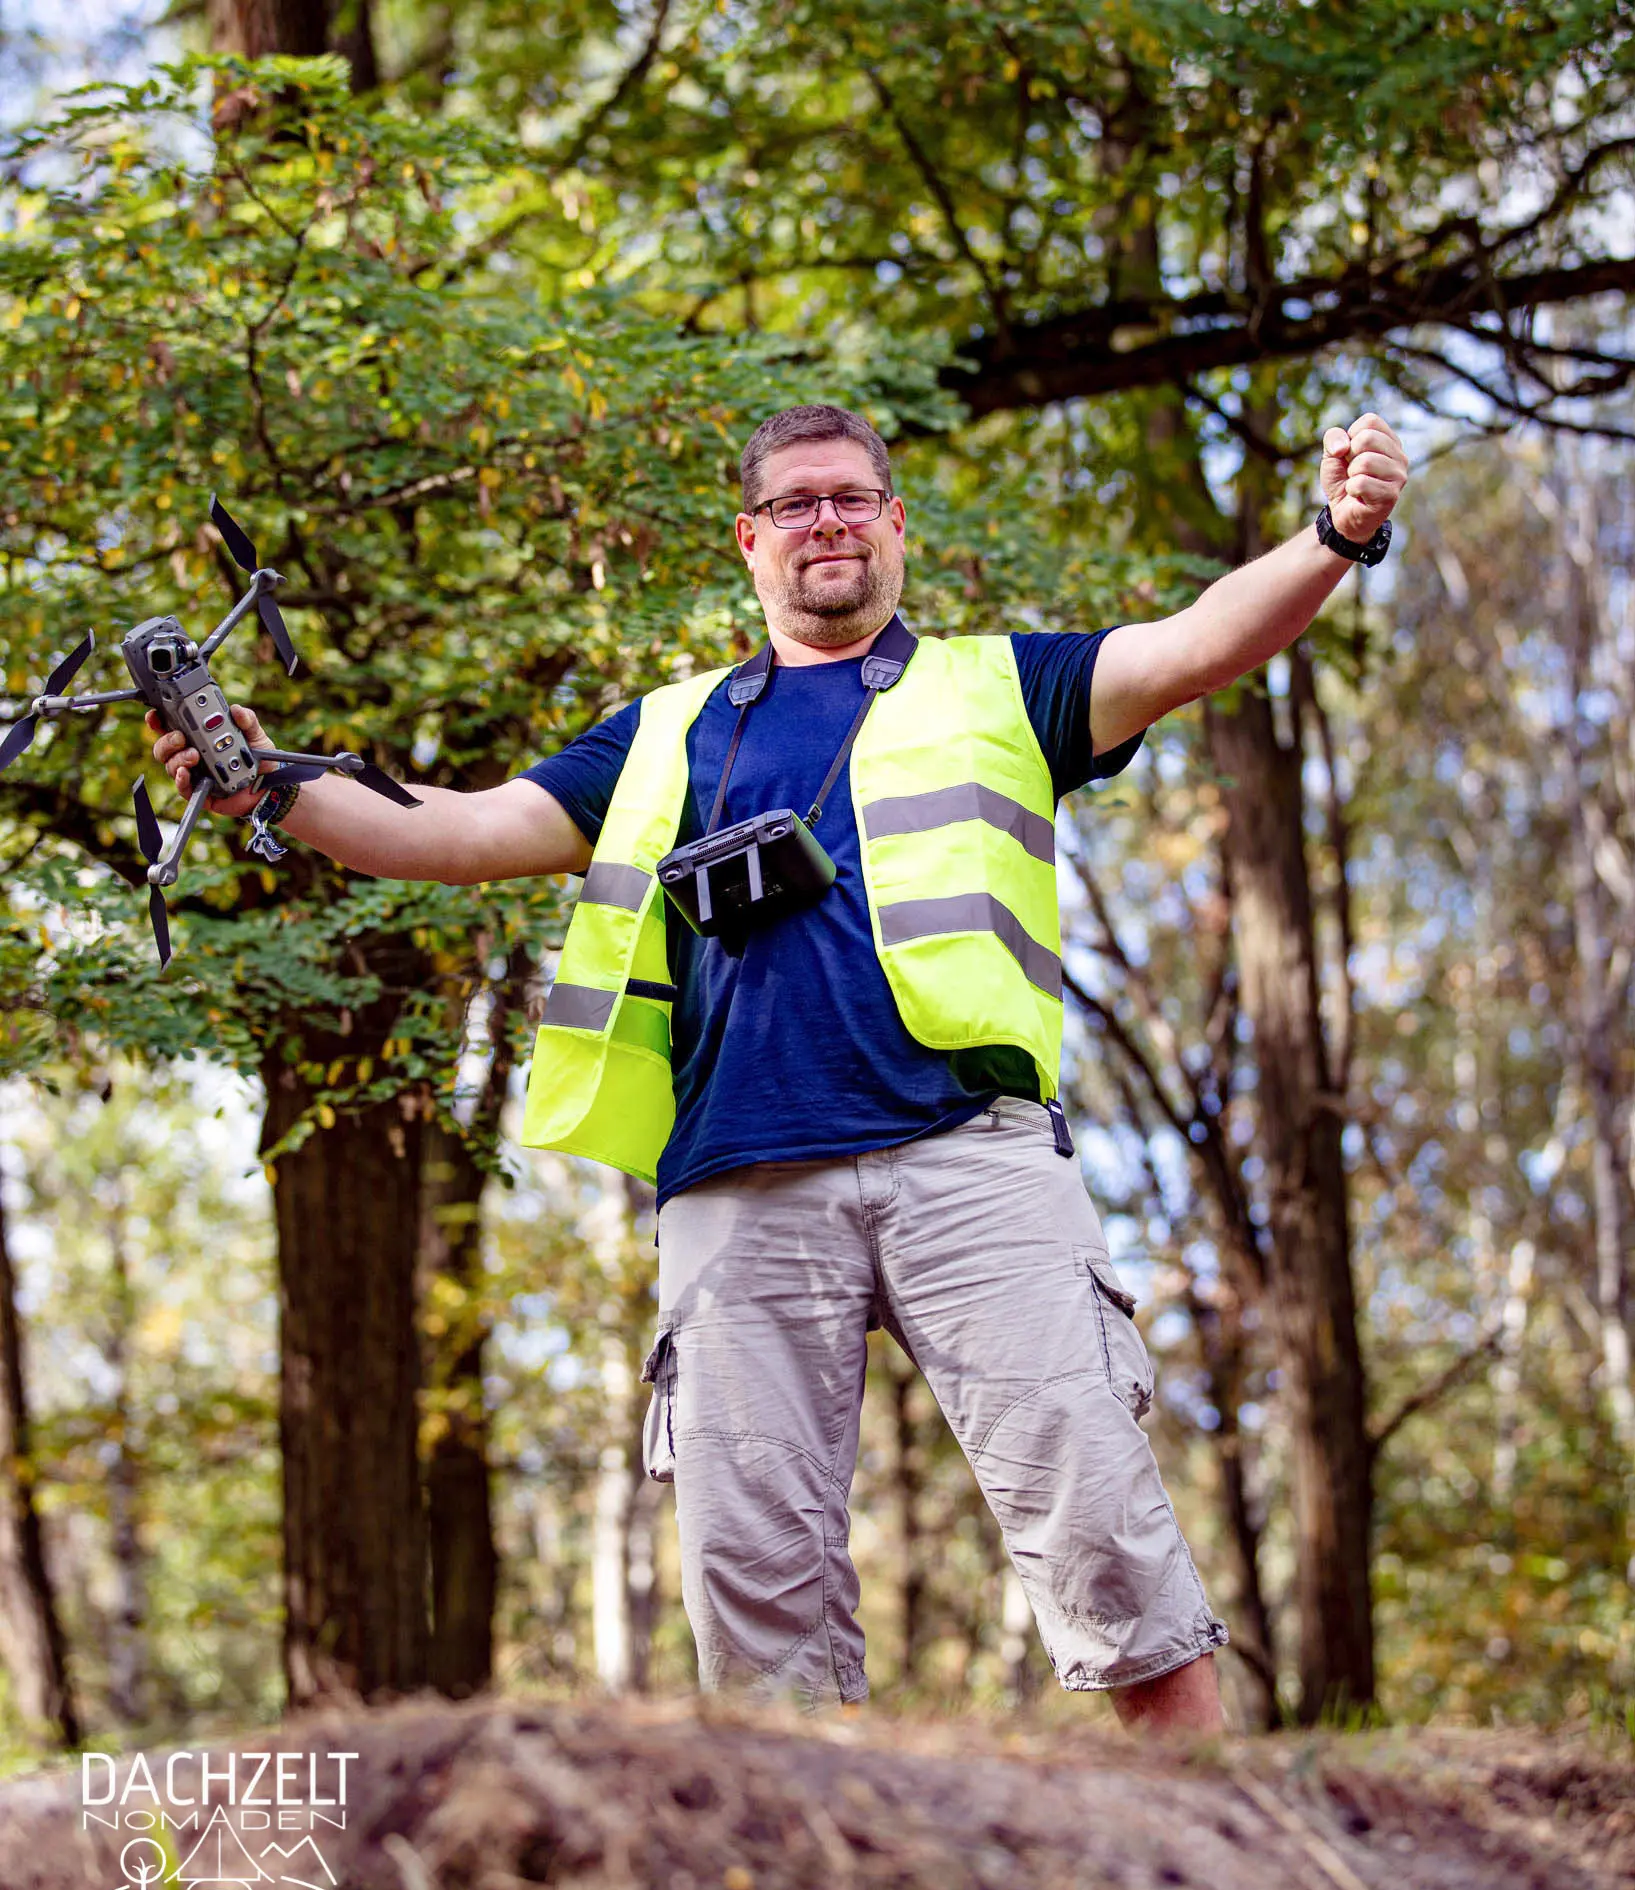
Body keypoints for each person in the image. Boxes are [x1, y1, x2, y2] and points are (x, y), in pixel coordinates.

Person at [151, 403, 1408, 1735]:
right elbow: (459, 829)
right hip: (735, 1187)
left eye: (852, 499)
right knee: (755, 1599)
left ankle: (1202, 1863)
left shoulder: (1004, 683)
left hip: (968, 1162)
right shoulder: (662, 732)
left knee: (1096, 1518)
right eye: (797, 504)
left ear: (895, 525)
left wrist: (1337, 534)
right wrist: (266, 787)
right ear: (749, 540)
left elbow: (1195, 646)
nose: (827, 522)